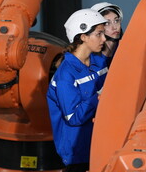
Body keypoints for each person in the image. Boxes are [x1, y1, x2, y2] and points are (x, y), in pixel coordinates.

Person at [46, 9, 108, 172]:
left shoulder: (99, 62)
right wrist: (100, 96)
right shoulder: (65, 75)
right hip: (77, 153)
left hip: (99, 144)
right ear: (83, 36)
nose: (103, 39)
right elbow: (73, 117)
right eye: (99, 34)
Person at [90, 2, 123, 66]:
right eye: (107, 23)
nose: (114, 27)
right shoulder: (91, 60)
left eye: (116, 21)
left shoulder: (128, 49)